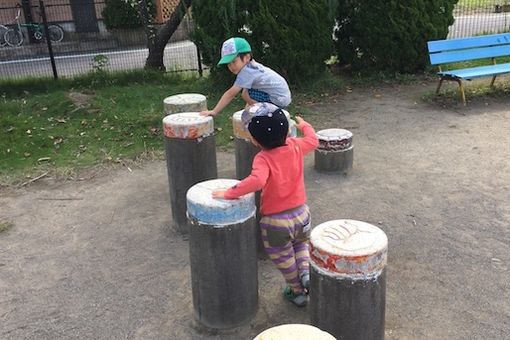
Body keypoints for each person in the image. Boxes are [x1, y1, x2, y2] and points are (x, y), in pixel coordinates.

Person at [212, 102, 318, 307]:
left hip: (276, 222)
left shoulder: (263, 158)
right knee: (301, 244)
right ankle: (306, 274)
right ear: (288, 130)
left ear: (254, 140)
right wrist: (305, 125)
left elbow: (257, 181)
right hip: (302, 213)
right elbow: (313, 141)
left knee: (283, 257)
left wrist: (229, 193)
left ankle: (297, 291)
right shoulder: (296, 145)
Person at [200, 37, 291, 117]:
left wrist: (215, 111)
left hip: (278, 100)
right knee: (247, 91)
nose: (231, 66)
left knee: (246, 93)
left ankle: (261, 114)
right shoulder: (251, 66)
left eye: (234, 62)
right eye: (228, 64)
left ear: (247, 57)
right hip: (282, 97)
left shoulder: (247, 72)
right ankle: (250, 115)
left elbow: (230, 94)